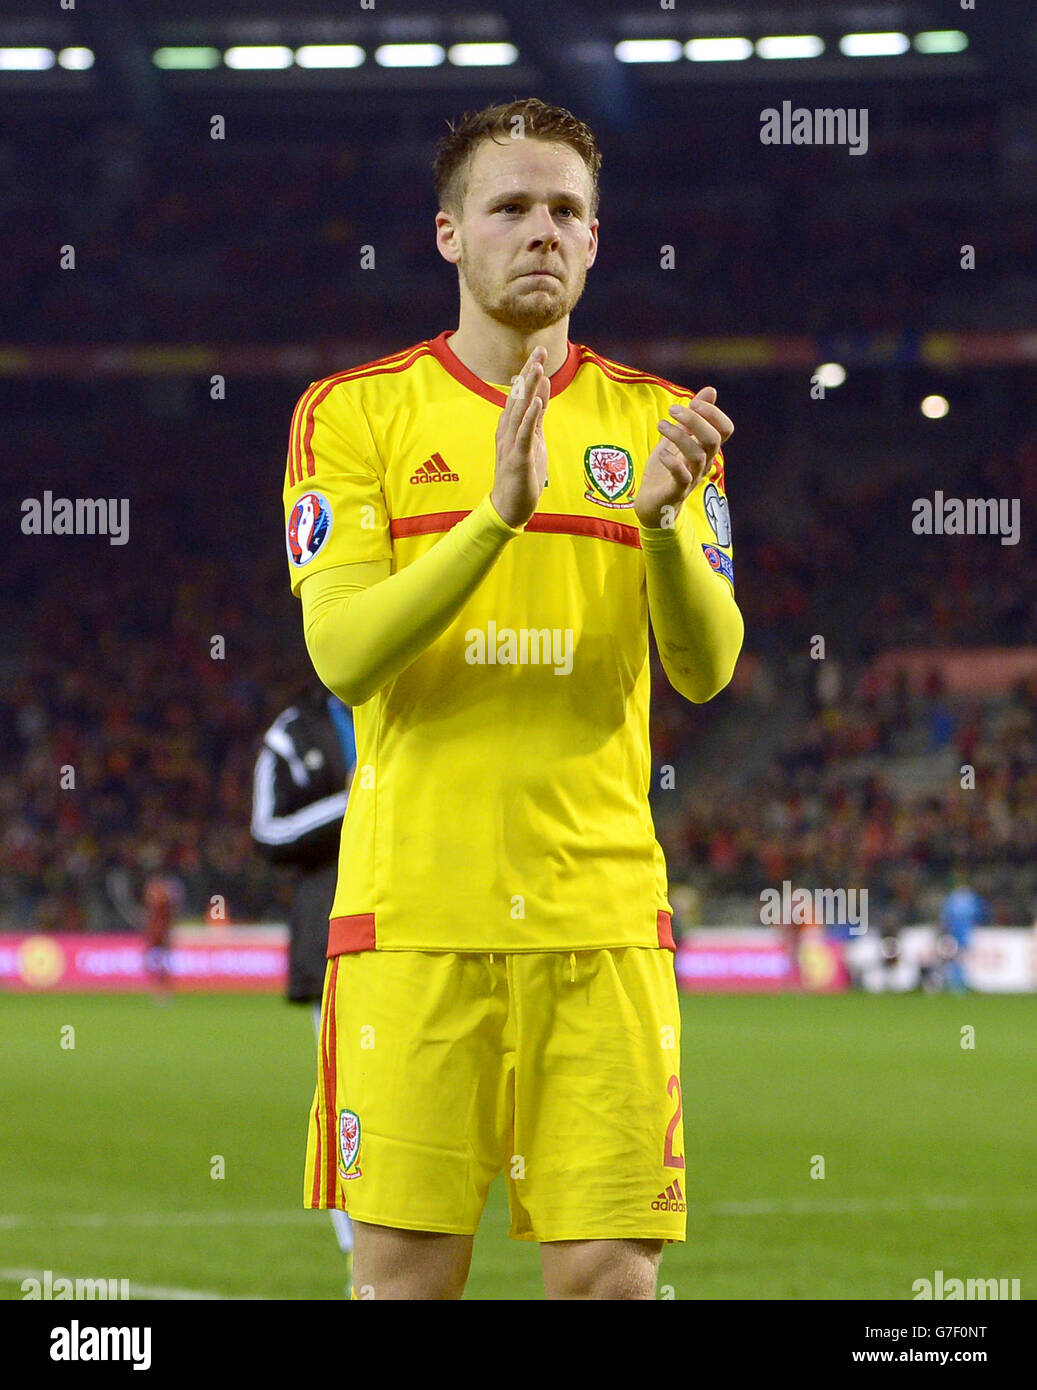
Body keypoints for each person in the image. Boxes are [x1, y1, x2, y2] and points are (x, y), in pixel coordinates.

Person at [281, 97, 743, 1300]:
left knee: (606, 1283)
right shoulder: (351, 415)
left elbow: (705, 665)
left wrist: (656, 526)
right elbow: (343, 652)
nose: (539, 230)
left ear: (594, 240)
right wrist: (496, 515)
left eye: (565, 211)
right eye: (509, 207)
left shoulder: (660, 426)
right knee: (405, 1288)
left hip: (598, 921)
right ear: (447, 234)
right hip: (411, 925)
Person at [251, 682, 357, 1275]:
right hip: (335, 938)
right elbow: (268, 832)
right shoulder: (295, 730)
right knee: (348, 1096)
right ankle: (358, 1257)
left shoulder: (419, 693)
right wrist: (355, 799)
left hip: (428, 929)